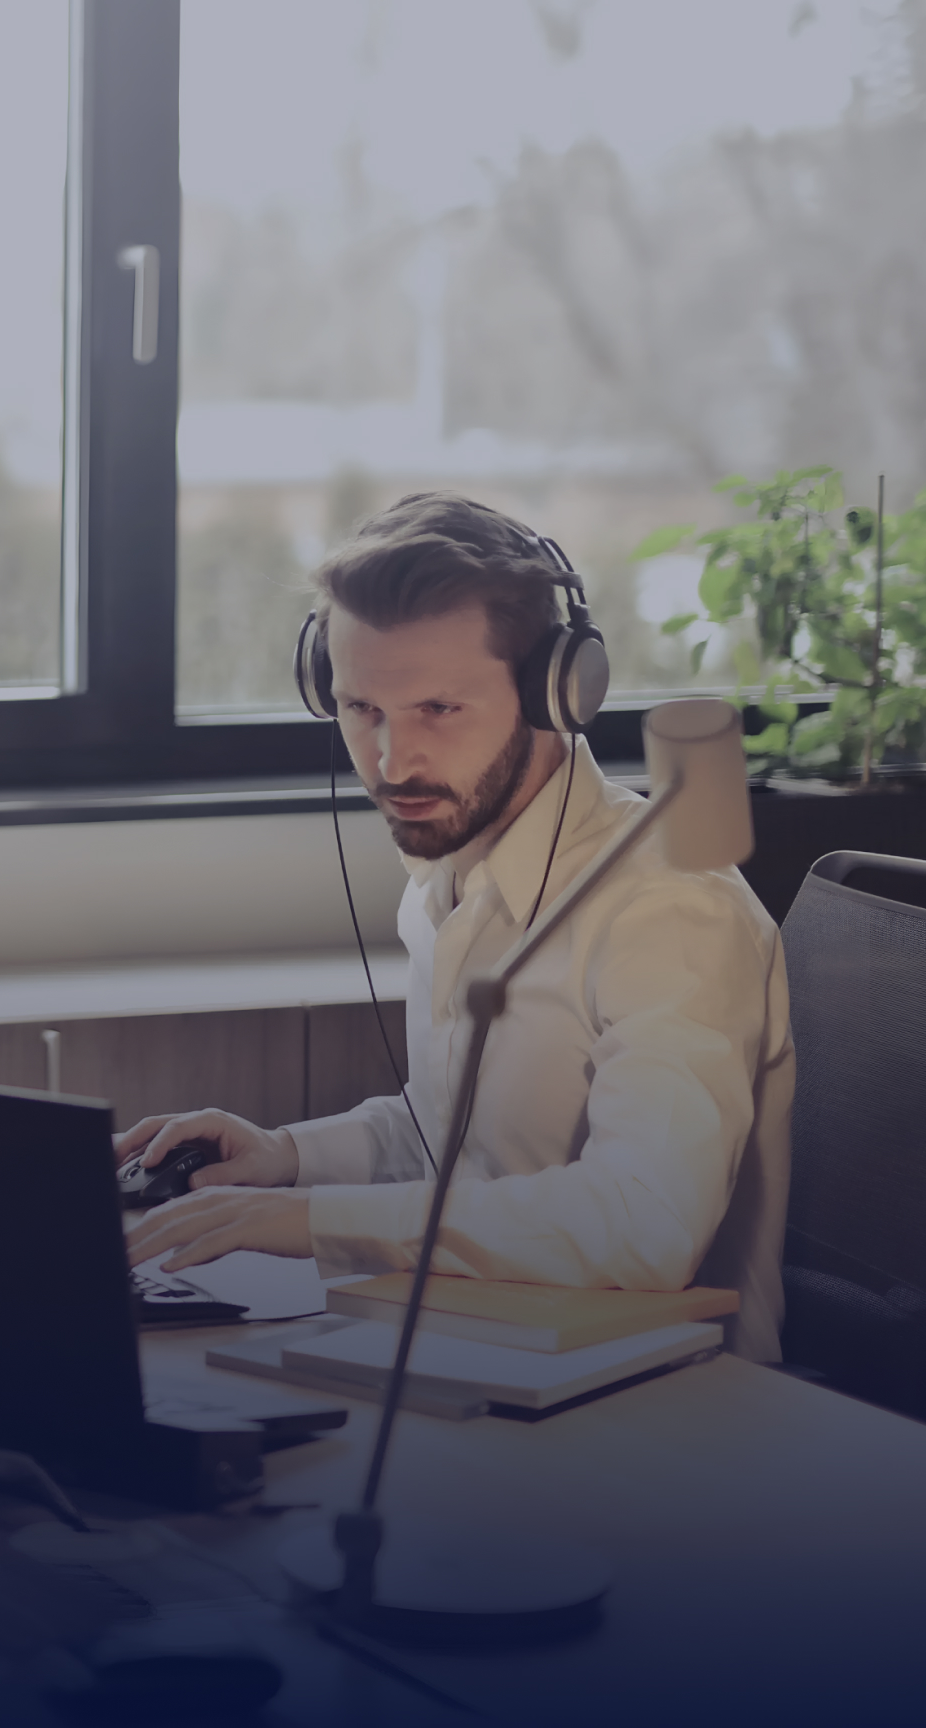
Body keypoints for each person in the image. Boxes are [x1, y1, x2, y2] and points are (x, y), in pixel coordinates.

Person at [122, 492, 794, 1362]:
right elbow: (454, 1141)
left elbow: (644, 1229)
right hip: (483, 1344)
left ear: (558, 692)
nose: (393, 763)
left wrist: (313, 1220)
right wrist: (286, 1158)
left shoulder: (671, 909)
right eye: (363, 711)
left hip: (663, 1400)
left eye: (439, 710)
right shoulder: (451, 873)